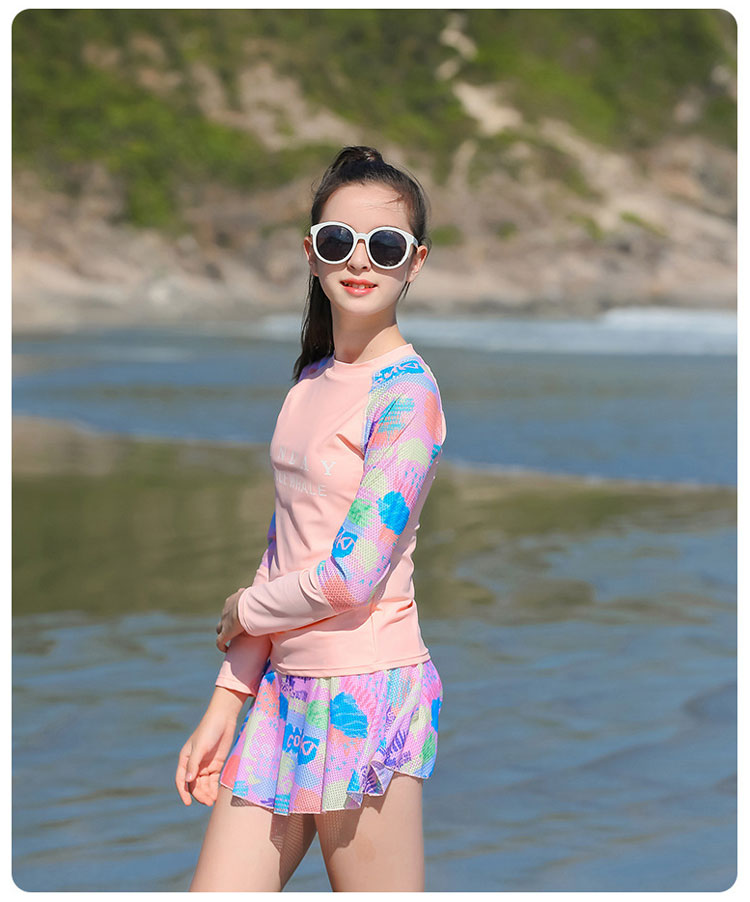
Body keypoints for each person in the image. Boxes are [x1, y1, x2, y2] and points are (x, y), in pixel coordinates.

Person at [175, 145, 447, 892]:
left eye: (384, 245)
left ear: (415, 262)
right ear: (311, 252)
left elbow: (351, 576)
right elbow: (283, 552)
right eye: (338, 240)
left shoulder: (408, 396)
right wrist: (228, 698)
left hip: (368, 693)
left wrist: (244, 609)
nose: (359, 260)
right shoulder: (310, 382)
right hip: (280, 698)